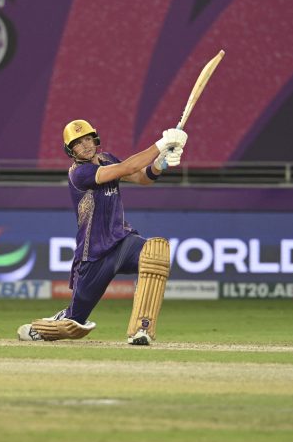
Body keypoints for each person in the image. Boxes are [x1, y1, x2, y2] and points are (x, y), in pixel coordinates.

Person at [17, 120, 188, 345]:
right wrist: (161, 144)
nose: (86, 145)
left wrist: (159, 163)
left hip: (121, 240)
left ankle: (141, 329)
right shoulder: (80, 173)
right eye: (78, 143)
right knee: (75, 322)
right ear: (71, 150)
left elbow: (141, 177)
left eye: (88, 139)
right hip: (94, 254)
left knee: (154, 253)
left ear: (95, 139)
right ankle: (44, 328)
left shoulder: (107, 158)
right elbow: (126, 168)